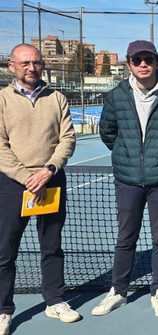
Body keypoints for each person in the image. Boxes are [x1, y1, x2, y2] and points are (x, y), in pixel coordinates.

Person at [92, 40, 158, 318]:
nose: (143, 64)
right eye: (137, 60)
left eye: (148, 59)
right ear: (129, 63)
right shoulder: (116, 96)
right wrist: (129, 156)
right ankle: (118, 291)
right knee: (125, 237)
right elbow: (108, 132)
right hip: (128, 179)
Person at [0, 43, 79, 334]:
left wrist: (48, 169)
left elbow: (67, 138)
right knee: (5, 250)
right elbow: (0, 146)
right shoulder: (2, 100)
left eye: (36, 62)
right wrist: (25, 176)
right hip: (12, 185)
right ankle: (4, 309)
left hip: (51, 180)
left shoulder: (56, 97)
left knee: (52, 246)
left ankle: (55, 301)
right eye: (25, 63)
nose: (31, 68)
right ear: (12, 66)